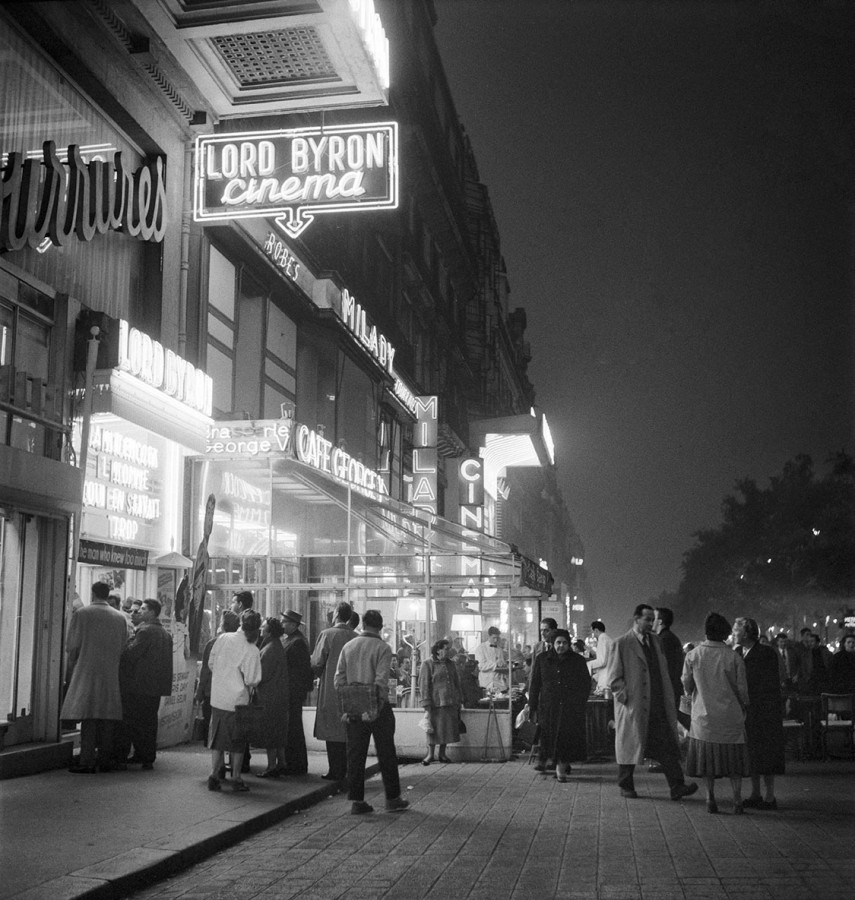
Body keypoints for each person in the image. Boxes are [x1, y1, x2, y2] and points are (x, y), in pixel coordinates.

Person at [604, 603, 698, 801]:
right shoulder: (621, 643)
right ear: (636, 619)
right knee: (629, 745)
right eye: (647, 619)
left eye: (652, 619)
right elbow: (613, 678)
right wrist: (625, 698)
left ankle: (677, 786)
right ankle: (626, 785)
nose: (651, 623)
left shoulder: (656, 641)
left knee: (667, 746)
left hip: (657, 704)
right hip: (634, 705)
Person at [334, 609, 409, 815]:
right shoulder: (383, 648)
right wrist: (375, 708)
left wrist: (347, 707)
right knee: (386, 753)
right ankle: (392, 798)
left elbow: (338, 680)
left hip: (353, 709)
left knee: (355, 754)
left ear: (363, 625)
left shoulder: (348, 647)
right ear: (380, 626)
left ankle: (357, 801)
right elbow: (381, 681)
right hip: (378, 708)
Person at [682, 612, 750, 814]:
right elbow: (742, 690)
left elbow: (686, 685)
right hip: (730, 718)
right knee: (734, 763)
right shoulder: (733, 656)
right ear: (725, 632)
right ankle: (737, 800)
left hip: (704, 719)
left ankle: (710, 797)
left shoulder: (693, 655)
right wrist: (745, 707)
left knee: (707, 762)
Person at [61, 581, 129, 773]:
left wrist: (73, 663)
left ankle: (87, 760)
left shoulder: (82, 614)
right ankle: (105, 759)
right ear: (108, 595)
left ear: (92, 594)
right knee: (107, 717)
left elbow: (72, 646)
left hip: (86, 670)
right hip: (110, 674)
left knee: (89, 717)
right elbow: (124, 645)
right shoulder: (120, 617)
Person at [733, 616, 785, 810]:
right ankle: (755, 793)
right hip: (748, 710)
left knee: (767, 752)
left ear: (746, 633)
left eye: (736, 630)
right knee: (752, 752)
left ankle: (770, 796)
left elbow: (769, 683)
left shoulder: (765, 653)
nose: (733, 634)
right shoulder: (738, 652)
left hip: (764, 710)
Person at [207, 609, 262, 792]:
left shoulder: (223, 638)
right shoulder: (252, 649)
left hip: (218, 697)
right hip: (238, 701)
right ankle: (236, 778)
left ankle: (214, 775)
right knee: (238, 742)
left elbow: (211, 663)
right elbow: (252, 680)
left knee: (218, 740)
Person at [115, 598, 173, 770]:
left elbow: (130, 655)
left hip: (139, 684)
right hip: (156, 686)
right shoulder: (164, 633)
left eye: (144, 609)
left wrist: (125, 645)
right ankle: (147, 756)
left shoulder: (145, 631)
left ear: (153, 612)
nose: (140, 611)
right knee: (149, 721)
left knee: (134, 721)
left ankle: (135, 755)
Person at [528, 628, 591, 782]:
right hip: (548, 707)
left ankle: (560, 768)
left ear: (569, 644)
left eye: (564, 643)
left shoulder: (577, 660)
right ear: (552, 644)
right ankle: (545, 760)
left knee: (564, 738)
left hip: (569, 707)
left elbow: (585, 684)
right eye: (558, 642)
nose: (561, 646)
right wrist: (532, 704)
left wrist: (579, 702)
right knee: (547, 735)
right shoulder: (542, 659)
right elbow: (535, 683)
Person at [311, 601, 357, 780]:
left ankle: (334, 770)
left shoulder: (327, 634)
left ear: (336, 613)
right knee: (347, 731)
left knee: (331, 728)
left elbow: (316, 662)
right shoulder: (355, 636)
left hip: (330, 688)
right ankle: (345, 769)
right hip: (351, 689)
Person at [195, 610, 240, 746]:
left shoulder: (213, 643)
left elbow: (206, 671)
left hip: (212, 690)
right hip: (234, 691)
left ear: (223, 625)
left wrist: (199, 692)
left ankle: (214, 754)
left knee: (212, 726)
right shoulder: (242, 644)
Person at [419, 639, 463, 765]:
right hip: (435, 702)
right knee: (433, 729)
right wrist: (426, 703)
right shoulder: (428, 664)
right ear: (438, 650)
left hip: (449, 701)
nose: (449, 651)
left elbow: (456, 682)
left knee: (446, 729)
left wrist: (458, 698)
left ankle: (442, 754)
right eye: (446, 649)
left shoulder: (451, 664)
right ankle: (430, 755)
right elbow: (424, 684)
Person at [281, 609, 314, 775]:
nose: (282, 624)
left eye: (284, 622)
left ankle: (296, 764)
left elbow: (301, 670)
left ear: (293, 625)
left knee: (293, 727)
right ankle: (294, 762)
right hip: (293, 690)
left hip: (293, 690)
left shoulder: (297, 642)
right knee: (293, 726)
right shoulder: (293, 640)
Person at [257, 617, 289, 777]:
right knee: (278, 732)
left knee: (270, 732)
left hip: (270, 696)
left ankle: (271, 766)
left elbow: (261, 675)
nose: (261, 630)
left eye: (263, 628)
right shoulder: (277, 646)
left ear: (269, 632)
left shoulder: (269, 649)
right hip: (279, 695)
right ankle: (281, 763)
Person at [474, 626, 508, 694]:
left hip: (499, 684)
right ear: (488, 636)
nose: (495, 640)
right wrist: (496, 665)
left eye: (497, 638)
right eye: (494, 638)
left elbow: (502, 664)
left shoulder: (499, 649)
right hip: (486, 684)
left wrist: (503, 665)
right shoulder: (481, 648)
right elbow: (481, 666)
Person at [588, 620, 613, 693]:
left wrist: (588, 664)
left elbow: (602, 661)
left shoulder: (602, 639)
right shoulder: (607, 638)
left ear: (596, 630)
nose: (593, 635)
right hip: (608, 674)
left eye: (592, 632)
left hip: (606, 677)